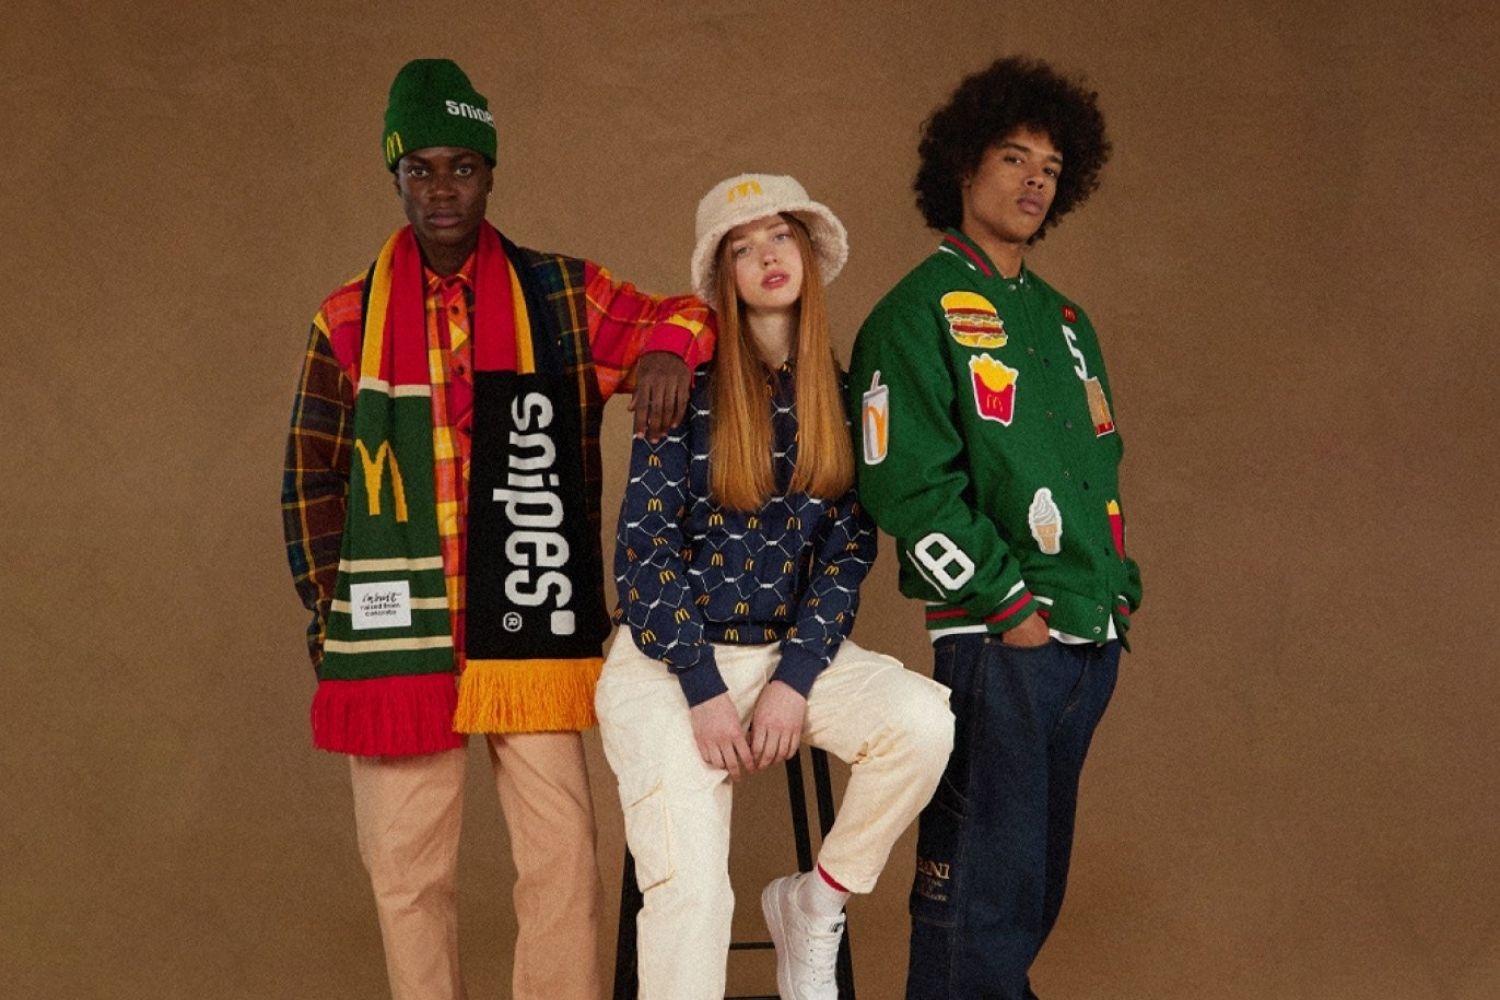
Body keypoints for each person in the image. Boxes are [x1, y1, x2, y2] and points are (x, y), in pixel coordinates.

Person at [280, 58, 714, 1000]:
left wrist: (670, 352)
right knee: (407, 875)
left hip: (531, 624)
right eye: (422, 168)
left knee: (564, 863)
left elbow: (687, 313)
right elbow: (311, 483)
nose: (442, 189)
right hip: (401, 637)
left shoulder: (561, 294)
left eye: (463, 167)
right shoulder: (346, 318)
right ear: (395, 175)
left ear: (490, 175)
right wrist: (334, 626)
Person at [596, 173, 954, 1000]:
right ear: (722, 272)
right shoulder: (682, 384)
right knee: (693, 897)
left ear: (809, 252)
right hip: (668, 663)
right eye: (742, 247)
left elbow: (847, 551)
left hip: (787, 654)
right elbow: (644, 553)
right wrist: (701, 687)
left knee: (922, 725)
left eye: (781, 236)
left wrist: (794, 680)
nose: (767, 256)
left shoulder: (840, 392)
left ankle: (813, 905)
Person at [847, 57, 1144, 1000]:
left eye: (1050, 169)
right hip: (998, 641)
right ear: (963, 166)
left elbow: (1098, 466)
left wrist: (1115, 593)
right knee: (974, 893)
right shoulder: (913, 313)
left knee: (1029, 889)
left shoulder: (1065, 321)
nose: (1033, 182)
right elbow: (907, 489)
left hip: (1085, 641)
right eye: (1014, 158)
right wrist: (1008, 607)